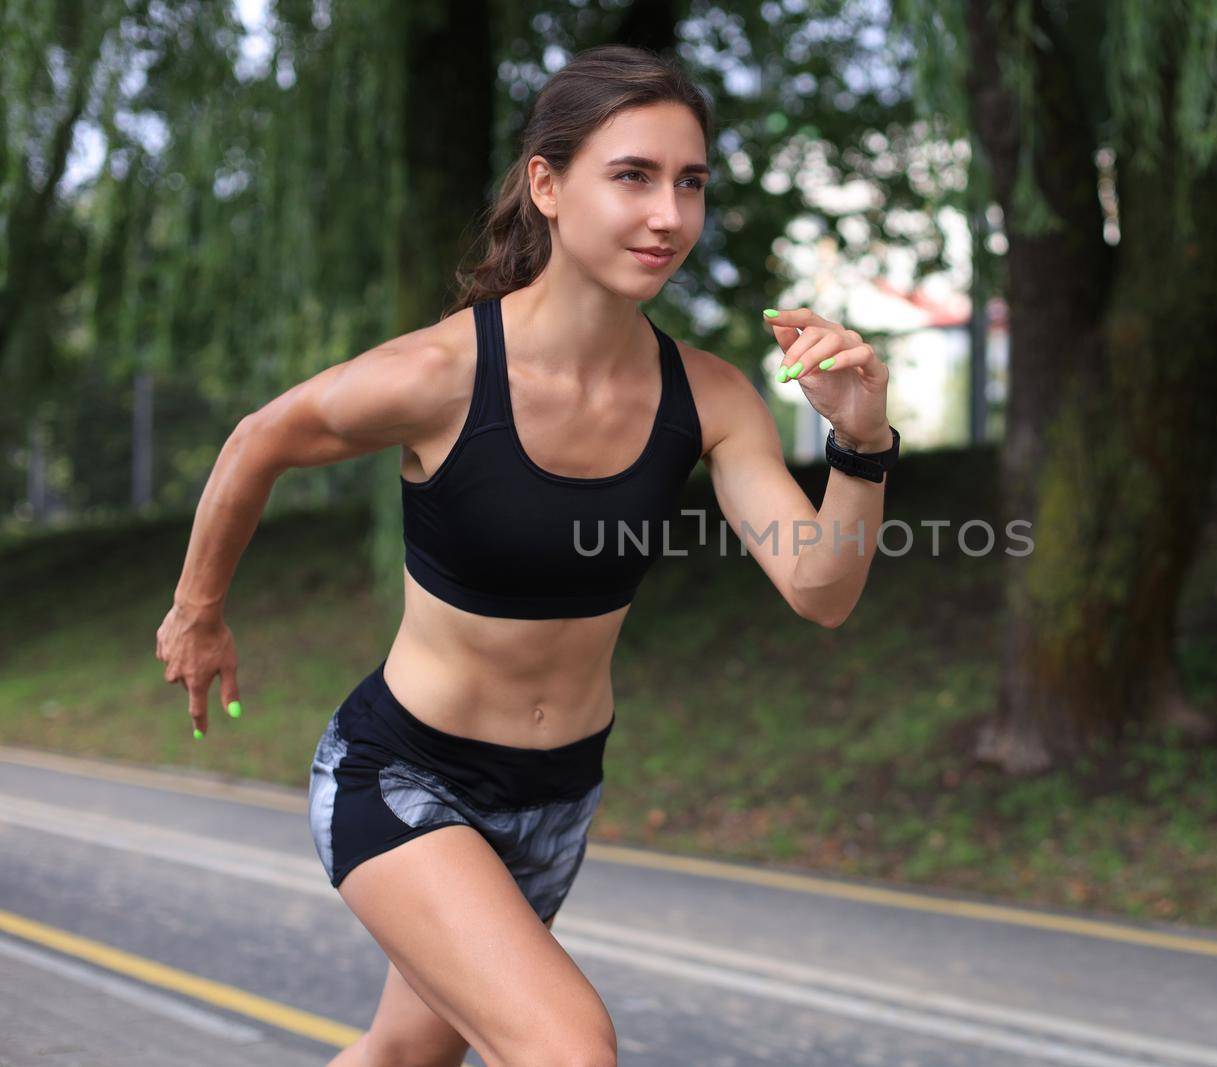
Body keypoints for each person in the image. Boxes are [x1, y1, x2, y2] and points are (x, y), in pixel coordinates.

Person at [154, 43, 898, 1067]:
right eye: (632, 175)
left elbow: (818, 587)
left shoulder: (710, 397)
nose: (668, 216)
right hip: (404, 776)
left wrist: (860, 441)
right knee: (565, 1048)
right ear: (547, 185)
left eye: (690, 184)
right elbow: (259, 437)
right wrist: (199, 608)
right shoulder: (443, 373)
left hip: (554, 798)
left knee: (405, 1053)